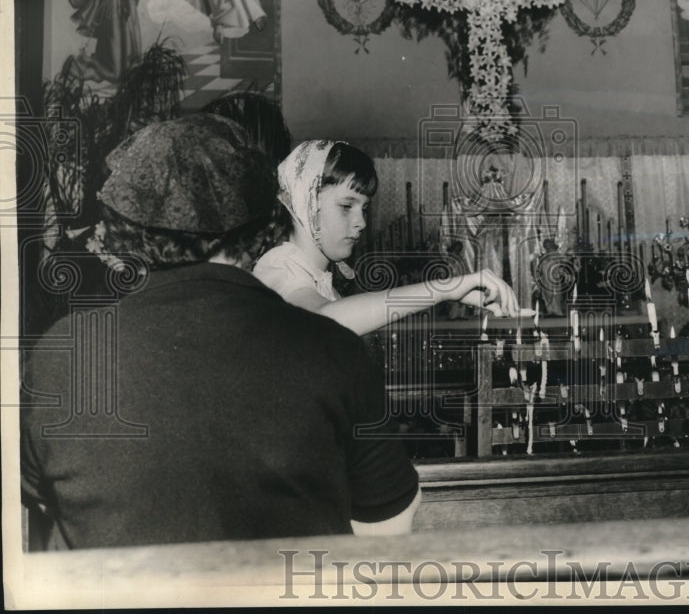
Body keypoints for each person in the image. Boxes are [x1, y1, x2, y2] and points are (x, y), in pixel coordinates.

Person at [21, 115, 420, 549]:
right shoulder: (333, 348)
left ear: (128, 234)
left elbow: (35, 519)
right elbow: (386, 534)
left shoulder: (65, 354)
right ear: (261, 228)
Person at [254, 140, 527, 335]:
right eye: (346, 206)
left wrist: (449, 296)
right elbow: (324, 320)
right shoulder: (278, 267)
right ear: (305, 202)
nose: (361, 222)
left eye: (364, 208)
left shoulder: (321, 282)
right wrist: (443, 288)